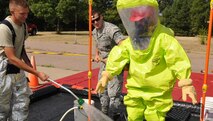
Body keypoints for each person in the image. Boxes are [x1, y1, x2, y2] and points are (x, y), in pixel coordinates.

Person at [95, 0, 198, 121]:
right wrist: (107, 75)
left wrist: (186, 82)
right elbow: (119, 54)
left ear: (150, 19)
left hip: (157, 93)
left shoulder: (163, 39)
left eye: (142, 21)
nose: (139, 24)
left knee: (154, 116)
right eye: (136, 22)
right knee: (133, 114)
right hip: (135, 90)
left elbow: (178, 60)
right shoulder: (131, 42)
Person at [0, 0, 49, 120]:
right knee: (2, 106)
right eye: (22, 13)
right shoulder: (4, 28)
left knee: (22, 101)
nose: (25, 16)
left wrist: (28, 64)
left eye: (27, 13)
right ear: (12, 12)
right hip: (3, 69)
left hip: (17, 67)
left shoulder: (24, 25)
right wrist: (36, 73)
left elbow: (21, 48)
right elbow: (11, 57)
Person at [92, 11, 126, 119]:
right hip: (103, 66)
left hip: (114, 67)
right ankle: (104, 114)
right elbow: (97, 44)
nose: (95, 22)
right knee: (101, 91)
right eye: (93, 21)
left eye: (97, 19)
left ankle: (114, 116)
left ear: (102, 17)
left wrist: (112, 59)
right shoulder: (94, 31)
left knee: (113, 95)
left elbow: (123, 46)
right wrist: (97, 55)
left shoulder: (111, 29)